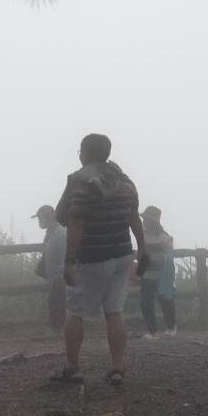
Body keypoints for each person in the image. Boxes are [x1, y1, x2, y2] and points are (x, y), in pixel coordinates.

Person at [51, 133, 148, 387]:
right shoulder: (125, 182)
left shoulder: (83, 184)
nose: (78, 154)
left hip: (91, 256)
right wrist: (143, 249)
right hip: (122, 255)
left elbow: (75, 221)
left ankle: (73, 367)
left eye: (80, 150)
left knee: (75, 312)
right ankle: (117, 367)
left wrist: (69, 259)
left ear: (85, 152)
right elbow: (134, 218)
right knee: (114, 311)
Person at [139, 206, 178, 339]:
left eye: (147, 219)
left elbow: (169, 258)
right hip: (147, 274)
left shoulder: (165, 238)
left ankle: (171, 327)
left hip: (162, 274)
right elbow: (142, 254)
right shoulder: (142, 235)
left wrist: (169, 276)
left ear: (154, 221)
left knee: (166, 301)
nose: (144, 222)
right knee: (145, 303)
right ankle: (152, 331)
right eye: (144, 219)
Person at [34, 204, 66, 330]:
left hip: (60, 278)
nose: (39, 221)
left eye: (40, 218)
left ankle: (61, 334)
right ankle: (59, 333)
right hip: (55, 278)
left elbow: (64, 255)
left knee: (59, 307)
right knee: (55, 306)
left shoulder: (60, 233)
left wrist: (61, 274)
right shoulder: (51, 233)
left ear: (48, 218)